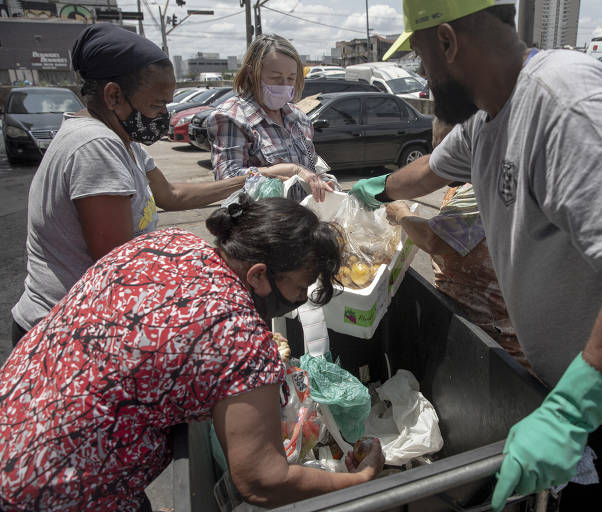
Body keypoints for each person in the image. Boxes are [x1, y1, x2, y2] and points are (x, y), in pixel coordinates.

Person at [350, 1, 602, 511]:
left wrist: (568, 412)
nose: (421, 75)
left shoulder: (565, 101)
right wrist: (379, 187)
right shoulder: (485, 122)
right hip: (600, 395)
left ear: (447, 43)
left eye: (422, 57)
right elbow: (428, 172)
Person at [0, 196, 384, 511]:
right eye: (300, 287)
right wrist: (358, 481)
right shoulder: (240, 338)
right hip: (54, 491)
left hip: (12, 422)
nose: (301, 300)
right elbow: (263, 481)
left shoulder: (166, 243)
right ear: (258, 275)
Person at [10, 23, 247, 346]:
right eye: (156, 105)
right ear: (113, 95)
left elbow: (171, 195)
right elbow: (120, 264)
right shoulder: (95, 146)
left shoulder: (124, 140)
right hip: (62, 335)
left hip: (91, 322)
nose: (163, 115)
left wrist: (248, 179)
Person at [384, 118, 533, 373]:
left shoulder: (484, 187)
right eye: (436, 147)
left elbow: (434, 239)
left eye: (447, 148)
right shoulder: (460, 181)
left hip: (500, 346)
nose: (439, 159)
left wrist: (401, 214)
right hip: (465, 325)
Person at [208, 34, 337, 202]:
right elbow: (227, 181)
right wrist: (289, 170)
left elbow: (312, 167)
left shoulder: (299, 118)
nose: (284, 85)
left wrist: (325, 183)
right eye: (276, 78)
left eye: (291, 78)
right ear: (252, 73)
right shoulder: (230, 117)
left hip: (302, 221)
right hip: (262, 223)